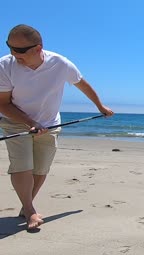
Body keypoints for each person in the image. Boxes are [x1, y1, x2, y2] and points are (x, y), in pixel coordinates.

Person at [0, 24, 114, 230]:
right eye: (10, 47)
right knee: (22, 165)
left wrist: (100, 106)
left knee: (41, 168)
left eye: (20, 50)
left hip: (50, 122)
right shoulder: (5, 66)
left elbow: (82, 84)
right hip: (15, 121)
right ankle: (30, 210)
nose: (13, 53)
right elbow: (3, 103)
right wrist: (31, 123)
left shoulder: (60, 64)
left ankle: (27, 205)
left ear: (38, 48)